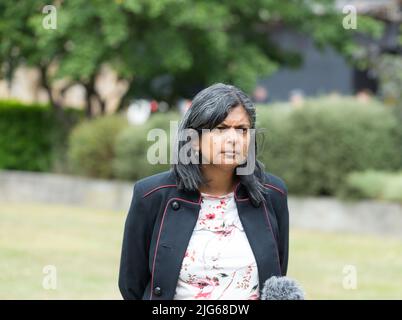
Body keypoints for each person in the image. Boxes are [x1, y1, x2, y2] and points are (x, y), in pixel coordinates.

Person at [118, 83, 289, 300]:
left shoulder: (272, 194)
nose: (233, 139)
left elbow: (276, 275)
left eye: (242, 130)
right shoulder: (151, 195)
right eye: (220, 128)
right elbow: (131, 284)